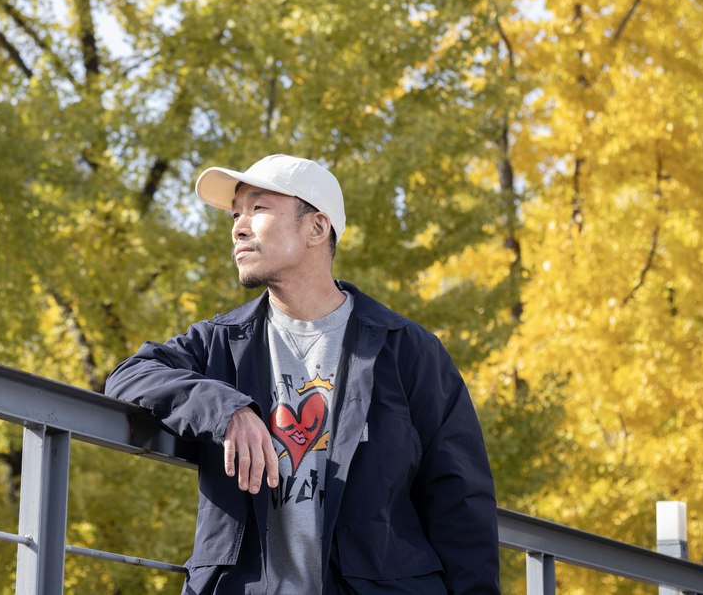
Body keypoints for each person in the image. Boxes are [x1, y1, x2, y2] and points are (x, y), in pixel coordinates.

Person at [105, 154, 500, 595]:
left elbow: (461, 506)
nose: (237, 227)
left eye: (257, 209)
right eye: (236, 213)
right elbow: (131, 374)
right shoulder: (220, 342)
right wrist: (228, 410)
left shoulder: (407, 350)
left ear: (316, 228)